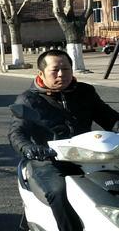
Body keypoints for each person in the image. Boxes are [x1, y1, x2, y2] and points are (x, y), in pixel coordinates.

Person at [8, 49, 119, 231]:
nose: (62, 74)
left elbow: (110, 119)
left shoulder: (85, 92)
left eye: (66, 69)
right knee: (57, 192)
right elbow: (16, 133)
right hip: (49, 159)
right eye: (55, 70)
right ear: (41, 73)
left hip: (88, 155)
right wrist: (29, 148)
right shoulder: (29, 99)